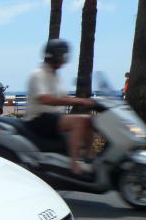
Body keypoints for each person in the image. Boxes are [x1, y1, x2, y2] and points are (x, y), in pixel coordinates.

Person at [25, 39, 97, 174]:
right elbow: (43, 98)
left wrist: (84, 100)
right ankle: (74, 163)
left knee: (89, 119)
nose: (64, 59)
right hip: (39, 119)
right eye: (62, 55)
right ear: (54, 55)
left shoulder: (54, 75)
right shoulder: (38, 74)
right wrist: (76, 102)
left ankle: (90, 157)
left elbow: (63, 96)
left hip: (53, 118)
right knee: (80, 121)